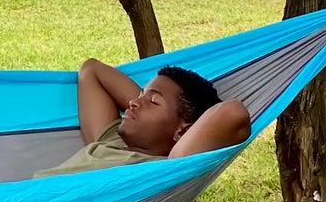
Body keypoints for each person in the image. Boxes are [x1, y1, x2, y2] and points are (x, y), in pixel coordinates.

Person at [34, 60, 250, 176]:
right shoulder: (112, 141)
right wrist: (147, 102)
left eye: (154, 102)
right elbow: (92, 70)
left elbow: (233, 112)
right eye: (138, 95)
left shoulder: (162, 170)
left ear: (183, 131)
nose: (132, 102)